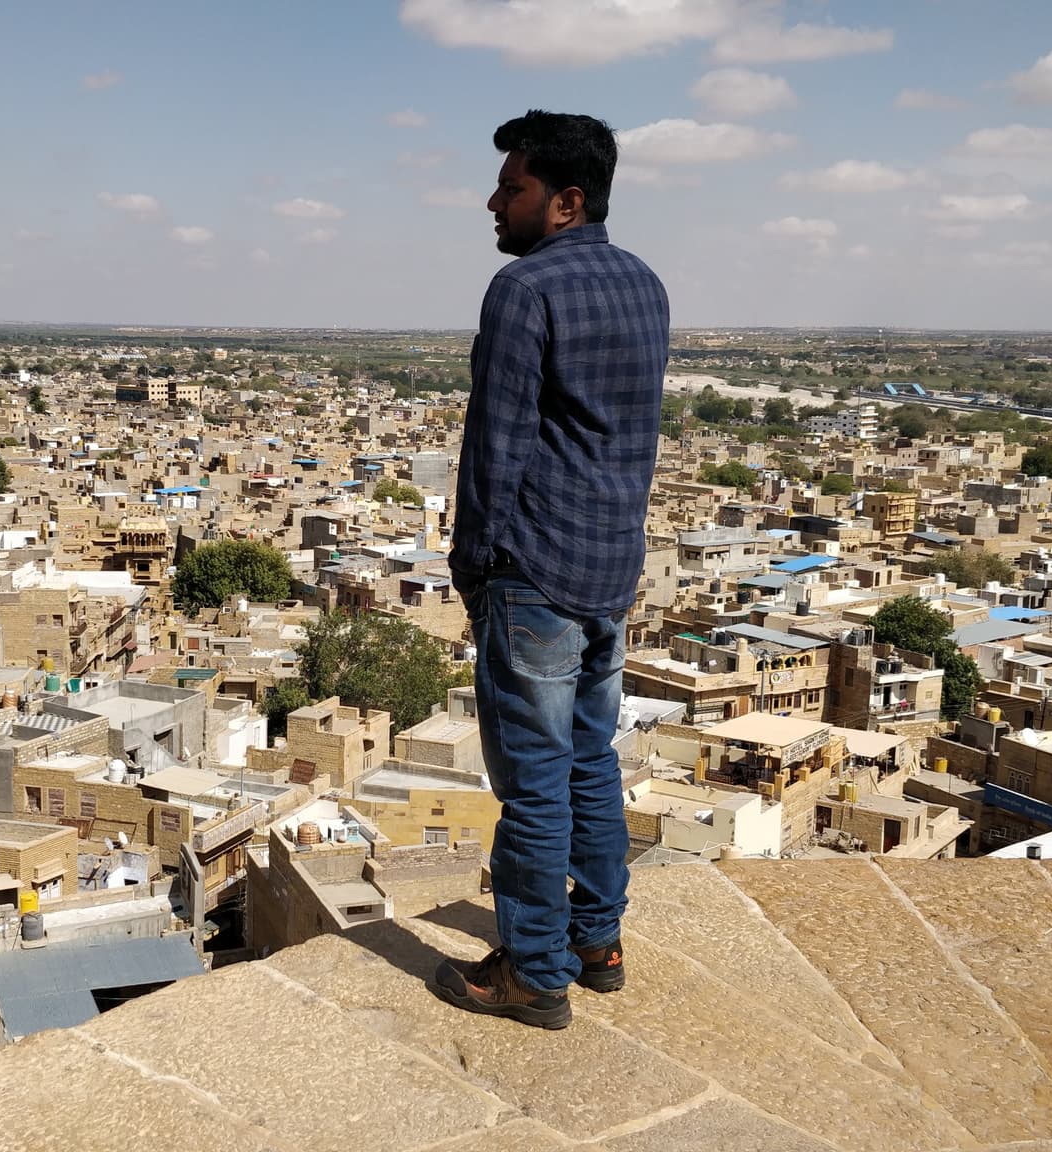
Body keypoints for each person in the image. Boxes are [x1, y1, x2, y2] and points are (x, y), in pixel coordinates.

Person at [436, 110, 669, 1030]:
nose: (494, 202)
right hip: (612, 565)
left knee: (533, 781)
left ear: (566, 202)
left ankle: (533, 972)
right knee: (589, 765)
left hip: (534, 569)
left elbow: (494, 444)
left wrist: (472, 565)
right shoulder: (646, 284)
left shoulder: (523, 287)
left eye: (514, 187)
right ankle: (595, 939)